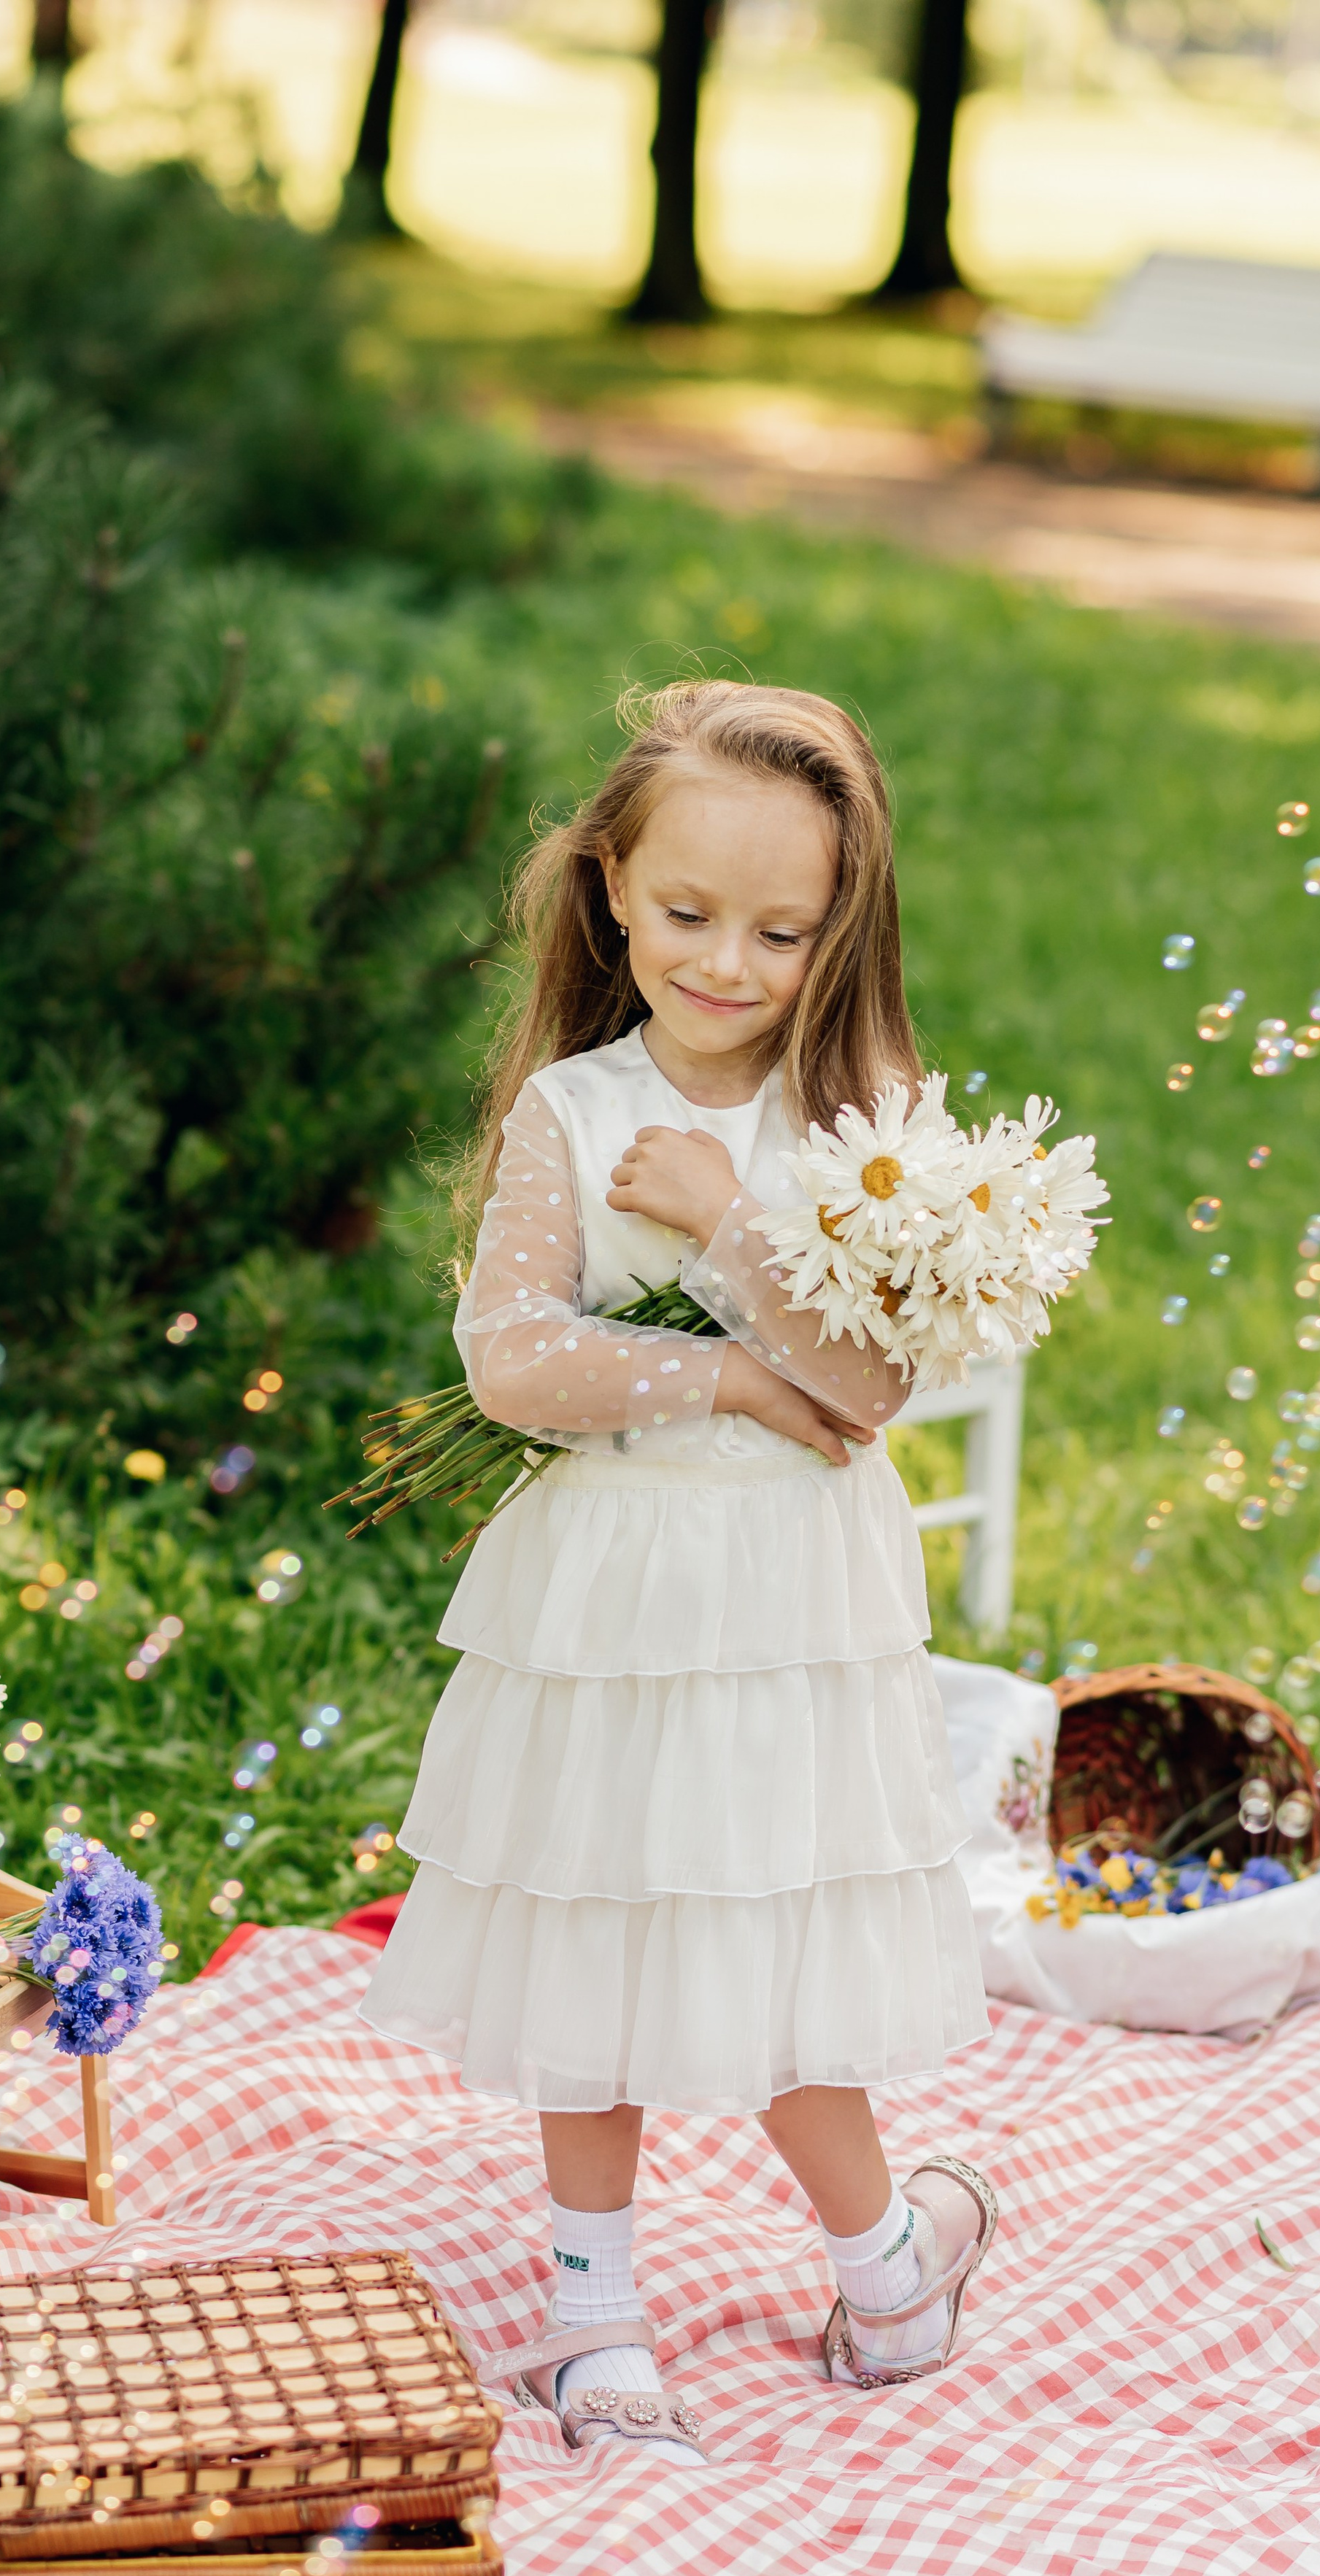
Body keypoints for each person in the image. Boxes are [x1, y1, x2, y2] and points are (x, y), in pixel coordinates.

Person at [359, 679, 995, 2459]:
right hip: (617, 1590)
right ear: (612, 890)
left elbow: (865, 1386)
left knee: (777, 1920)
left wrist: (730, 1228)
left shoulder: (864, 1119)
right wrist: (721, 1373)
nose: (726, 960)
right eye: (688, 913)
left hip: (793, 1601)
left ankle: (882, 2270)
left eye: (780, 931)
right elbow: (510, 1360)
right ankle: (590, 2315)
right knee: (603, 1917)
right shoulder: (570, 1112)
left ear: (836, 931)